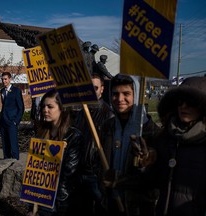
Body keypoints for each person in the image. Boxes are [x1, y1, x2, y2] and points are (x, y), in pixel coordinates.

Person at [100, 74, 160, 216]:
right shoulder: (107, 127)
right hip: (109, 203)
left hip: (137, 207)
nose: (120, 99)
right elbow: (100, 161)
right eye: (115, 94)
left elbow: (154, 179)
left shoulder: (151, 131)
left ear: (137, 95)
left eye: (126, 94)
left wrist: (119, 180)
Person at [151, 76, 206, 216]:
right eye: (180, 101)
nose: (183, 106)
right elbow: (153, 181)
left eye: (191, 102)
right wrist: (145, 163)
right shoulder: (164, 137)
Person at [28, 89, 84, 216]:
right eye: (43, 106)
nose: (45, 110)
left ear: (62, 108)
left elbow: (68, 177)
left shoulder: (74, 136)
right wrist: (31, 206)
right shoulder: (41, 134)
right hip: (40, 199)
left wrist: (59, 208)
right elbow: (34, 173)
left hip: (59, 204)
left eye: (50, 107)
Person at [74, 73, 114, 215]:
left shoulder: (108, 114)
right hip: (79, 172)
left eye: (95, 88)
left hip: (96, 176)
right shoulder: (81, 112)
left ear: (102, 89)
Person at [0, 72, 25, 160]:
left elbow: (21, 108)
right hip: (3, 121)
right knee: (5, 144)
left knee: (13, 144)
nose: (4, 81)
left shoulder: (16, 91)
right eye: (2, 79)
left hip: (12, 122)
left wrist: (15, 121)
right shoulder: (2, 91)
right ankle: (6, 161)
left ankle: (15, 163)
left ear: (10, 79)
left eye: (5, 79)